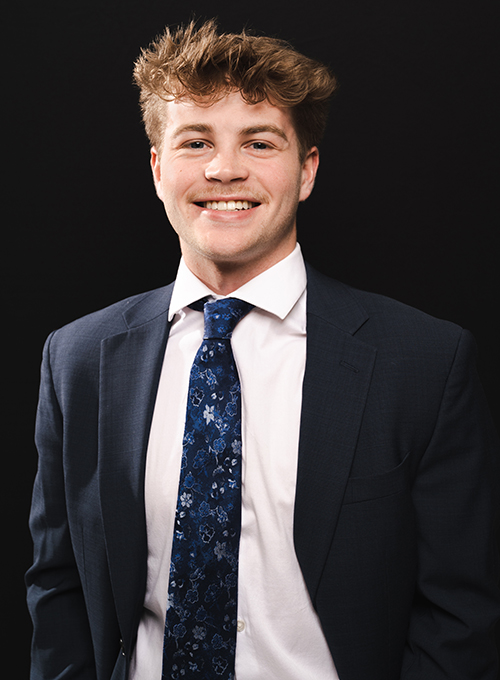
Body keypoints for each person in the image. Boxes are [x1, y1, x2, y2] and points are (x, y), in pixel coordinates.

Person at [26, 19, 500, 680]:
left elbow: (460, 616)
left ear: (306, 171)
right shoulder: (77, 360)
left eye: (259, 142)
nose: (225, 169)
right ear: (159, 169)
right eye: (196, 142)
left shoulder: (424, 363)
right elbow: (60, 589)